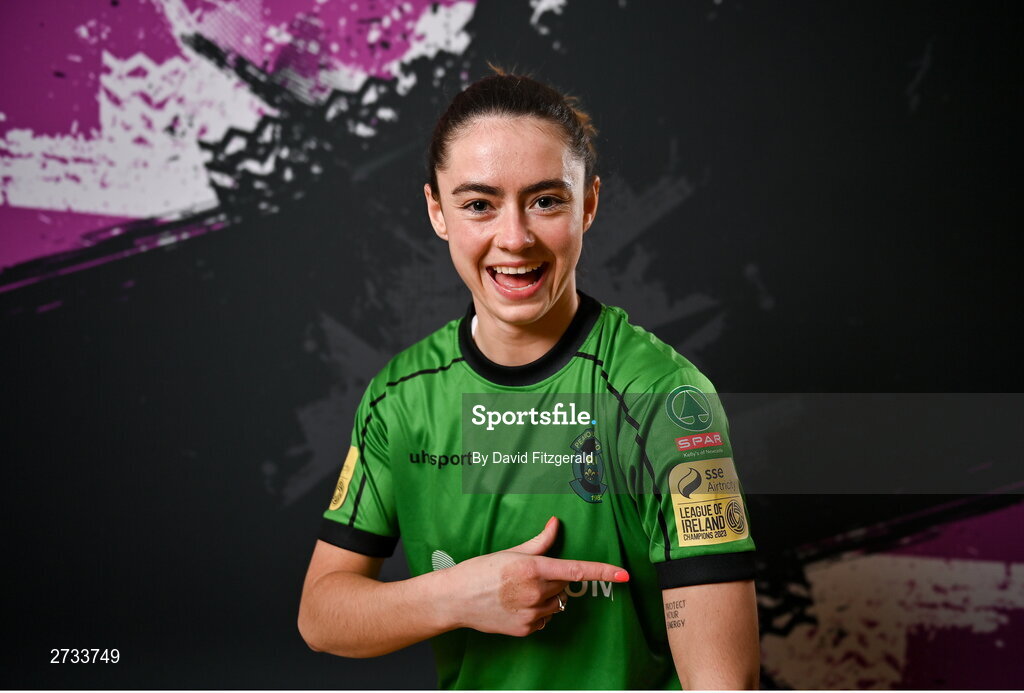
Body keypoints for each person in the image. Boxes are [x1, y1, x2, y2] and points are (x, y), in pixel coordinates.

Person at [298, 70, 759, 690]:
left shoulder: (665, 399)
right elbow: (321, 617)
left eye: (546, 200)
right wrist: (461, 596)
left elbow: (724, 686)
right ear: (437, 210)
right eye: (478, 204)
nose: (514, 239)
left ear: (588, 204)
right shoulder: (399, 397)